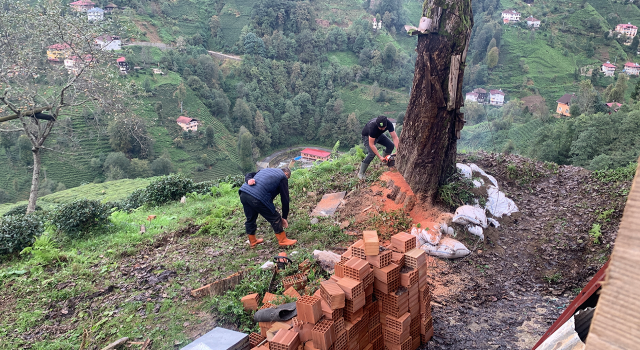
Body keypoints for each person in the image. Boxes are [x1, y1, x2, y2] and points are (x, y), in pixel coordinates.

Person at [239, 167, 297, 248]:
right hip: (257, 197)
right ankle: (283, 240)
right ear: (286, 174)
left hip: (244, 193)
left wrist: (248, 180)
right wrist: (284, 217)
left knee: (251, 218)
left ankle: (252, 241)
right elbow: (285, 199)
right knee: (275, 217)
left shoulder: (266, 170)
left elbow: (249, 174)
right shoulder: (283, 177)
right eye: (288, 178)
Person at [358, 115, 400, 179]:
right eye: (380, 128)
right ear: (377, 125)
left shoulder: (389, 123)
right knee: (372, 153)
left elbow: (394, 137)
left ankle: (386, 161)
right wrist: (379, 156)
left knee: (390, 145)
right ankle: (361, 173)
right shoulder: (372, 127)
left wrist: (398, 149)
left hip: (379, 135)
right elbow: (371, 144)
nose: (382, 129)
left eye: (383, 128)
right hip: (367, 137)